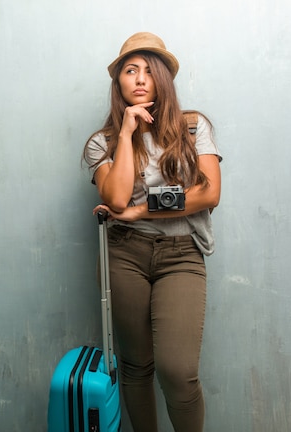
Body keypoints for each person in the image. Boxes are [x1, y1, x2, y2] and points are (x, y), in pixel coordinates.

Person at [83, 32, 222, 432]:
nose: (140, 78)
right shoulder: (102, 143)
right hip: (124, 254)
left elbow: (209, 193)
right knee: (136, 365)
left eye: (149, 70)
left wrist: (146, 209)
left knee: (177, 371)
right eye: (130, 70)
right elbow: (117, 199)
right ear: (119, 84)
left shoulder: (193, 129)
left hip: (181, 255)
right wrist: (125, 134)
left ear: (163, 79)